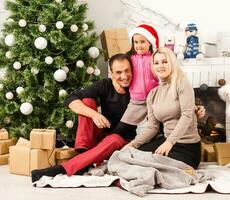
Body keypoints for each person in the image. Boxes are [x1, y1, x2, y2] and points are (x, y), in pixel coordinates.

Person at [31, 53, 136, 182]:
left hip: (124, 141)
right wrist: (94, 114)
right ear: (112, 73)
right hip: (104, 136)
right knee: (87, 102)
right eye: (119, 72)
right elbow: (70, 99)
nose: (124, 76)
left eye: (127, 71)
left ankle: (64, 168)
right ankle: (83, 154)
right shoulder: (105, 84)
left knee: (114, 139)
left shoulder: (138, 87)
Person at [124, 47, 201, 169]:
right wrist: (132, 145)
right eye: (156, 63)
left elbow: (187, 115)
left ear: (172, 62)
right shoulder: (153, 94)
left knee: (154, 166)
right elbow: (152, 128)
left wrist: (169, 142)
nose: (160, 66)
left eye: (164, 61)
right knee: (130, 157)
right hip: (165, 142)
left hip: (187, 146)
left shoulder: (182, 82)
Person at [115, 24, 160, 131]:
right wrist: (116, 82)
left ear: (150, 43)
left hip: (155, 101)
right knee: (121, 129)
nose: (138, 45)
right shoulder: (129, 58)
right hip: (136, 101)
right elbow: (115, 71)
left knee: (154, 129)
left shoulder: (155, 58)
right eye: (136, 42)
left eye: (142, 42)